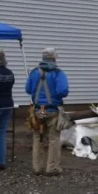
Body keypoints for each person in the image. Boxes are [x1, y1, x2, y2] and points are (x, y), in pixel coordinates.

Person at [25, 48, 69, 176]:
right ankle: (52, 168)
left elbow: (28, 90)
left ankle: (37, 167)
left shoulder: (34, 72)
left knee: (38, 137)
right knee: (54, 138)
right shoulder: (58, 73)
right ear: (54, 58)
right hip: (53, 109)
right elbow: (63, 91)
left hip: (38, 110)